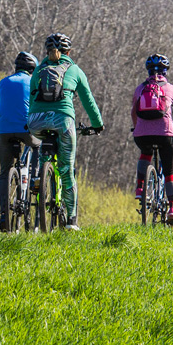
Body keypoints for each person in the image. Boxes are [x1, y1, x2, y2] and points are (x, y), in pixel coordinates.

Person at [27, 34, 105, 231]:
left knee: (44, 153)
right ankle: (71, 220)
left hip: (36, 122)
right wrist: (98, 124)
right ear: (68, 52)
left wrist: (30, 122)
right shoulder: (75, 70)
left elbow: (32, 100)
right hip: (62, 120)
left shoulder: (38, 70)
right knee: (67, 170)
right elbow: (88, 100)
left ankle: (40, 177)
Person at [131, 54, 173, 227]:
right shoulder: (171, 89)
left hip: (142, 135)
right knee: (169, 171)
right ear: (165, 72)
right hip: (165, 134)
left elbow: (134, 112)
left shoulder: (140, 88)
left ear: (148, 71)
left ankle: (140, 187)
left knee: (145, 152)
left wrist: (137, 128)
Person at [0, 51, 39, 232]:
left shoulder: (3, 82)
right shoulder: (33, 82)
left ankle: (4, 214)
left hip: (4, 130)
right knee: (38, 144)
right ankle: (35, 178)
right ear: (32, 70)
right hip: (27, 130)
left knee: (4, 172)